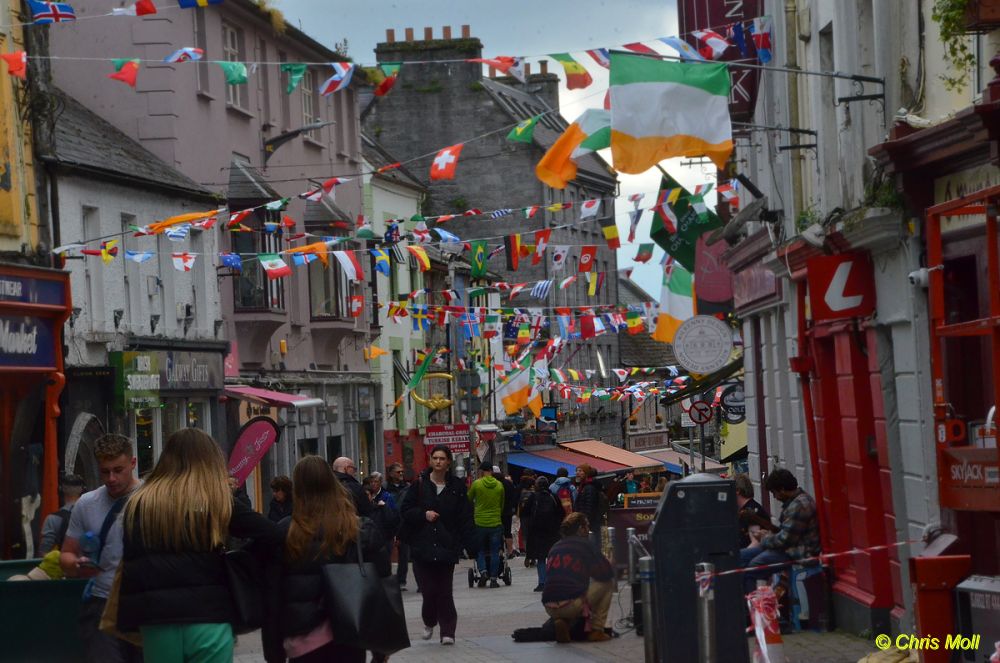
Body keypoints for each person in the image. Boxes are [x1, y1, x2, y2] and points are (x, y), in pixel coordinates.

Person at [116, 429, 279, 662]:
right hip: (209, 616)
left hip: (157, 620)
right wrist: (238, 560)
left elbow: (131, 564)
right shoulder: (215, 499)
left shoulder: (140, 503)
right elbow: (270, 534)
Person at [262, 455, 389, 663]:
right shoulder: (357, 528)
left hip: (303, 640)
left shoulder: (285, 532)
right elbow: (380, 584)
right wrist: (380, 647)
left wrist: (274, 653)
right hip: (350, 634)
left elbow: (273, 596)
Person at [60, 434, 143, 663]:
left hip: (144, 602)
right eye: (105, 471)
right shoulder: (86, 504)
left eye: (119, 469)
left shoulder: (152, 499)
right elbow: (66, 554)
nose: (112, 478)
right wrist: (75, 566)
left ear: (133, 463)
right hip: (101, 604)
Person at [398, 445, 475, 645]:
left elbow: (464, 517)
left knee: (445, 592)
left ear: (449, 462)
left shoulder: (457, 487)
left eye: (442, 458)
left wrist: (469, 544)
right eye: (435, 458)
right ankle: (430, 621)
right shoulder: (420, 485)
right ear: (430, 461)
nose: (439, 462)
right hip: (422, 546)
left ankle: (448, 631)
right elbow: (405, 510)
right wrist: (424, 515)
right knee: (429, 591)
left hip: (446, 545)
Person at [739, 468, 820, 592]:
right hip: (790, 547)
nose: (775, 497)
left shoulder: (799, 506)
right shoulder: (794, 502)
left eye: (774, 493)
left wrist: (764, 538)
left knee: (753, 567)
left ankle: (756, 606)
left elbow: (784, 540)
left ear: (782, 489)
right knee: (741, 556)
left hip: (798, 552)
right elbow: (784, 533)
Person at [541, 513, 614, 644]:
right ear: (580, 528)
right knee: (607, 583)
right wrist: (607, 562)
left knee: (572, 588)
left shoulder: (555, 546)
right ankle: (596, 630)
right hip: (571, 604)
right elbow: (605, 573)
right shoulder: (585, 545)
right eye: (587, 526)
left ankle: (563, 622)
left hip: (549, 605)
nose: (588, 529)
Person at [520, 476, 563, 592]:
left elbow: (524, 513)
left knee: (540, 558)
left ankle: (542, 583)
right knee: (552, 557)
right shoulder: (553, 497)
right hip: (552, 531)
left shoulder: (533, 497)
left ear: (538, 486)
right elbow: (561, 512)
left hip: (537, 531)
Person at [467, 465, 506, 588]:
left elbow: (468, 499)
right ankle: (494, 578)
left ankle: (483, 572)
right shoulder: (499, 486)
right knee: (495, 551)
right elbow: (502, 504)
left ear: (482, 471)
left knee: (480, 550)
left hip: (479, 523)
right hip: (495, 523)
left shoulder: (476, 484)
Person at [383, 463, 411, 590]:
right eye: (398, 472)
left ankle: (401, 580)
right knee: (386, 553)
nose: (401, 474)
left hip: (404, 524)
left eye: (402, 472)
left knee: (404, 554)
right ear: (391, 474)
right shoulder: (384, 488)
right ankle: (387, 579)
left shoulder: (407, 487)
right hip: (388, 524)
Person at [364, 471, 400, 558]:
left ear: (380, 482)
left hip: (385, 534)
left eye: (375, 481)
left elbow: (394, 516)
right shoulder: (366, 495)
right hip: (371, 534)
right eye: (371, 482)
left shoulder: (387, 496)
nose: (373, 484)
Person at [734, 473, 770, 548]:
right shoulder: (745, 509)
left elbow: (756, 543)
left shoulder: (752, 511)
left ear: (737, 491)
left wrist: (739, 556)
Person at [573, 464, 603, 551]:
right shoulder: (584, 486)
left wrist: (585, 522)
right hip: (587, 522)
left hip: (590, 524)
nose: (577, 473)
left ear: (586, 473)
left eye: (580, 471)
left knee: (591, 548)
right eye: (577, 471)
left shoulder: (589, 487)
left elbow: (589, 507)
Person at [497, 467, 519, 558]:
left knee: (498, 532)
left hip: (498, 511)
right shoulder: (508, 483)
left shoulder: (496, 484)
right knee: (507, 531)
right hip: (508, 511)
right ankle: (510, 551)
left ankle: (501, 551)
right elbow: (514, 496)